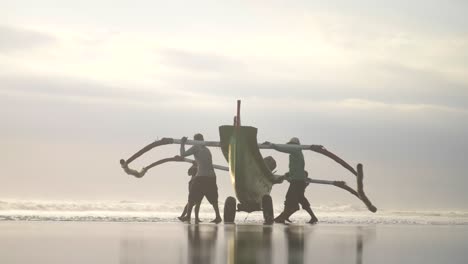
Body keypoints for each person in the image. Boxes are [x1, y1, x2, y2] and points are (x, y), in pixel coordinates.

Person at [267, 137, 319, 224]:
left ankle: (283, 217)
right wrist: (287, 174)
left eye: (292, 145)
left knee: (289, 199)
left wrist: (272, 145)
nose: (291, 147)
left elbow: (281, 148)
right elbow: (295, 168)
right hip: (299, 180)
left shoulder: (296, 151)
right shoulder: (296, 154)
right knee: (301, 199)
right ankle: (313, 217)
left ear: (295, 146)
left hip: (297, 181)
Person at [178, 133, 222, 224]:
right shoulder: (207, 149)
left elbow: (183, 154)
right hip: (212, 176)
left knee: (192, 196)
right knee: (213, 198)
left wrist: (182, 143)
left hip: (201, 176)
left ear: (195, 141)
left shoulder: (196, 147)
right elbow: (204, 161)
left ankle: (188, 216)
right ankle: (218, 216)